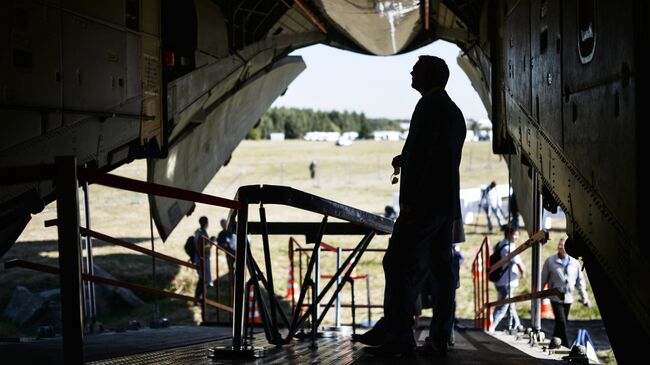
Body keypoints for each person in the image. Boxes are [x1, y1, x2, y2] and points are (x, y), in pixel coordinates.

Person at [356, 55, 466, 357]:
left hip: (423, 205)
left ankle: (397, 336)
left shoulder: (427, 107)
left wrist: (411, 205)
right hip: (445, 207)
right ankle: (440, 336)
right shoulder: (453, 112)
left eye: (415, 70)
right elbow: (439, 155)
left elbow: (429, 159)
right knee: (443, 273)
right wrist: (406, 159)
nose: (411, 73)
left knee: (398, 264)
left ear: (428, 76)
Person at [542, 237, 590, 347]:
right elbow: (543, 279)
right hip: (555, 297)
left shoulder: (574, 262)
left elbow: (580, 281)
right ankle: (566, 346)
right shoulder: (550, 261)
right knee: (561, 322)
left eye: (562, 245)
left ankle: (553, 343)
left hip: (568, 298)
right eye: (559, 244)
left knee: (561, 323)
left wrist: (584, 297)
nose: (560, 246)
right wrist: (540, 296)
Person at [490, 224, 525, 332]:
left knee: (510, 304)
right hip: (507, 281)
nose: (516, 237)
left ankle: (517, 325)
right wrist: (523, 273)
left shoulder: (499, 244)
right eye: (515, 235)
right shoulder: (509, 248)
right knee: (503, 306)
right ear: (509, 234)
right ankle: (491, 326)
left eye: (517, 235)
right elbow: (519, 263)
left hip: (500, 280)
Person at [194, 216, 212, 300]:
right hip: (202, 259)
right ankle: (199, 298)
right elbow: (203, 247)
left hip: (200, 258)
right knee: (202, 279)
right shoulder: (202, 233)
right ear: (206, 223)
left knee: (202, 279)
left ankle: (200, 298)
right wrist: (211, 243)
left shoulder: (198, 232)